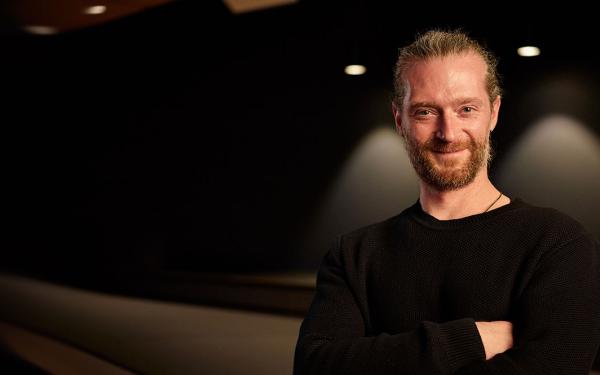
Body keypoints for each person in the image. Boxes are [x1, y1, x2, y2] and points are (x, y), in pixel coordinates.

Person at [293, 29, 600, 374]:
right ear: (400, 120)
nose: (448, 133)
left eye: (466, 109)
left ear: (494, 112)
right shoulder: (354, 254)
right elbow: (315, 366)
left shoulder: (557, 244)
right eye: (425, 112)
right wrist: (469, 340)